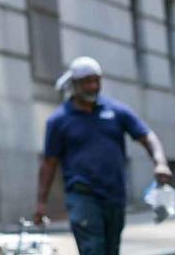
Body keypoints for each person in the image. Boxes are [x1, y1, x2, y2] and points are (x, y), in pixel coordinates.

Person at [34, 56, 172, 254]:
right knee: (93, 249)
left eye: (96, 80)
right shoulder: (59, 120)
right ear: (74, 84)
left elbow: (147, 136)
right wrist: (41, 203)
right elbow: (49, 163)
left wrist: (160, 162)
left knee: (111, 250)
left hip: (114, 195)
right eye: (87, 82)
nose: (93, 86)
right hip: (83, 195)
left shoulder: (116, 111)